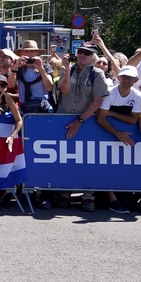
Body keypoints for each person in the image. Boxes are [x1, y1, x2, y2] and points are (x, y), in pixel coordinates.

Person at [56, 43, 110, 212]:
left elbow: (98, 100)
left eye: (87, 53)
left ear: (93, 57)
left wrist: (80, 121)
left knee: (87, 160)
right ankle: (65, 193)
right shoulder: (68, 69)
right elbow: (64, 90)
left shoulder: (97, 73)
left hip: (86, 122)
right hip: (63, 120)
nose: (82, 55)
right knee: (64, 159)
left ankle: (88, 196)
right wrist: (65, 68)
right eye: (80, 51)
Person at [10, 40, 54, 114]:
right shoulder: (19, 67)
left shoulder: (45, 66)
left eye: (32, 51)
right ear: (22, 54)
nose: (29, 54)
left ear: (37, 53)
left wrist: (41, 69)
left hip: (42, 108)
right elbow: (11, 85)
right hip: (25, 109)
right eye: (26, 51)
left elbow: (49, 87)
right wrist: (15, 68)